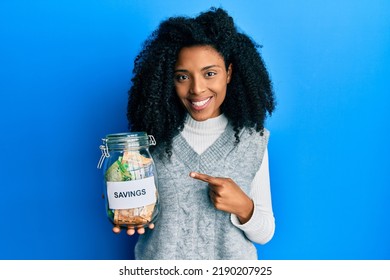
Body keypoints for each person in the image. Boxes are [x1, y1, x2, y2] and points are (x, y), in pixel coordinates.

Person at [114, 7, 276, 260]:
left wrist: (244, 207)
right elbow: (136, 208)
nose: (197, 89)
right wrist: (124, 205)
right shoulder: (151, 140)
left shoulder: (252, 140)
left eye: (210, 73)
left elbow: (265, 233)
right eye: (182, 77)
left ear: (229, 73)